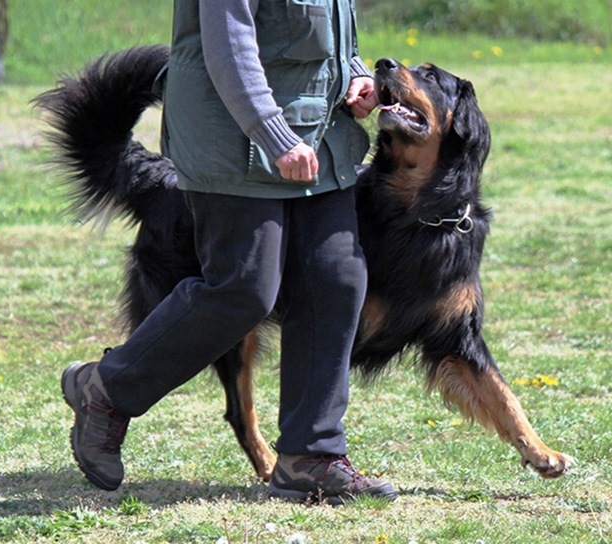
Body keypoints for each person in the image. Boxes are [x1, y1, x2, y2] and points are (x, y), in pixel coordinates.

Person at [60, 0, 398, 504]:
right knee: (244, 287)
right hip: (235, 138)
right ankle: (106, 389)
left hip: (319, 137)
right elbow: (229, 45)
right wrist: (274, 135)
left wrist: (352, 74)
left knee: (336, 276)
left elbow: (326, 31)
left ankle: (311, 455)